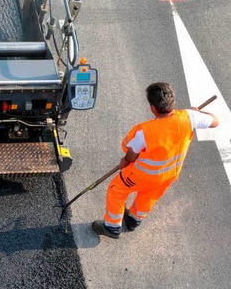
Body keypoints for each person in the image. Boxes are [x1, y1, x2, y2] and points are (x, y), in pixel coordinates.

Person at [92, 82, 220, 239]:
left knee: (116, 190)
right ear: (172, 102)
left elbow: (131, 153)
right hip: (169, 174)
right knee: (149, 196)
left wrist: (124, 161)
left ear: (153, 108)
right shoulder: (189, 117)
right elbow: (215, 121)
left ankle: (112, 227)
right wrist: (198, 112)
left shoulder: (145, 131)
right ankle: (133, 220)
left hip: (142, 175)